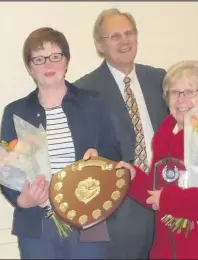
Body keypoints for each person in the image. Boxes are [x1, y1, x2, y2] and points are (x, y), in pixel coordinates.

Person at [0, 27, 121, 259]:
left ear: (67, 60)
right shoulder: (15, 112)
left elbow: (114, 152)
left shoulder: (93, 103)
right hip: (37, 223)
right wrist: (21, 199)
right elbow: (6, 170)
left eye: (56, 56)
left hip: (89, 217)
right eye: (39, 59)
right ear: (30, 67)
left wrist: (100, 158)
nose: (48, 64)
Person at [117, 60, 198, 259]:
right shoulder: (165, 136)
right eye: (174, 92)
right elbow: (157, 193)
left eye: (191, 91)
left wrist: (170, 199)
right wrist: (133, 177)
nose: (181, 99)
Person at [73, 8, 169, 259]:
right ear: (99, 45)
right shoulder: (83, 91)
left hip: (165, 204)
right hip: (118, 214)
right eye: (114, 36)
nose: (125, 40)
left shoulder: (160, 79)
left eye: (129, 33)